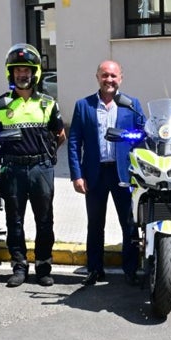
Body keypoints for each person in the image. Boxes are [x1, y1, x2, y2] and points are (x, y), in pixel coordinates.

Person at [0, 44, 65, 288]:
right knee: (14, 221)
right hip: (12, 170)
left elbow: (60, 135)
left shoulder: (49, 104)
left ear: (35, 73)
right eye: (17, 70)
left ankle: (43, 266)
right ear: (11, 73)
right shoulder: (0, 105)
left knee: (45, 220)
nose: (22, 74)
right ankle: (19, 266)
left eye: (27, 70)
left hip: (41, 168)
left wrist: (47, 158)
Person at [67, 60, 145, 286]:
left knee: (129, 224)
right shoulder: (84, 105)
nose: (109, 80)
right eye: (104, 75)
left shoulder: (132, 104)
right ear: (97, 77)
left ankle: (131, 270)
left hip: (124, 174)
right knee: (95, 224)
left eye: (113, 76)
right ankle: (94, 269)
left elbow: (143, 136)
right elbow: (74, 142)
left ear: (121, 78)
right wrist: (76, 174)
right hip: (94, 174)